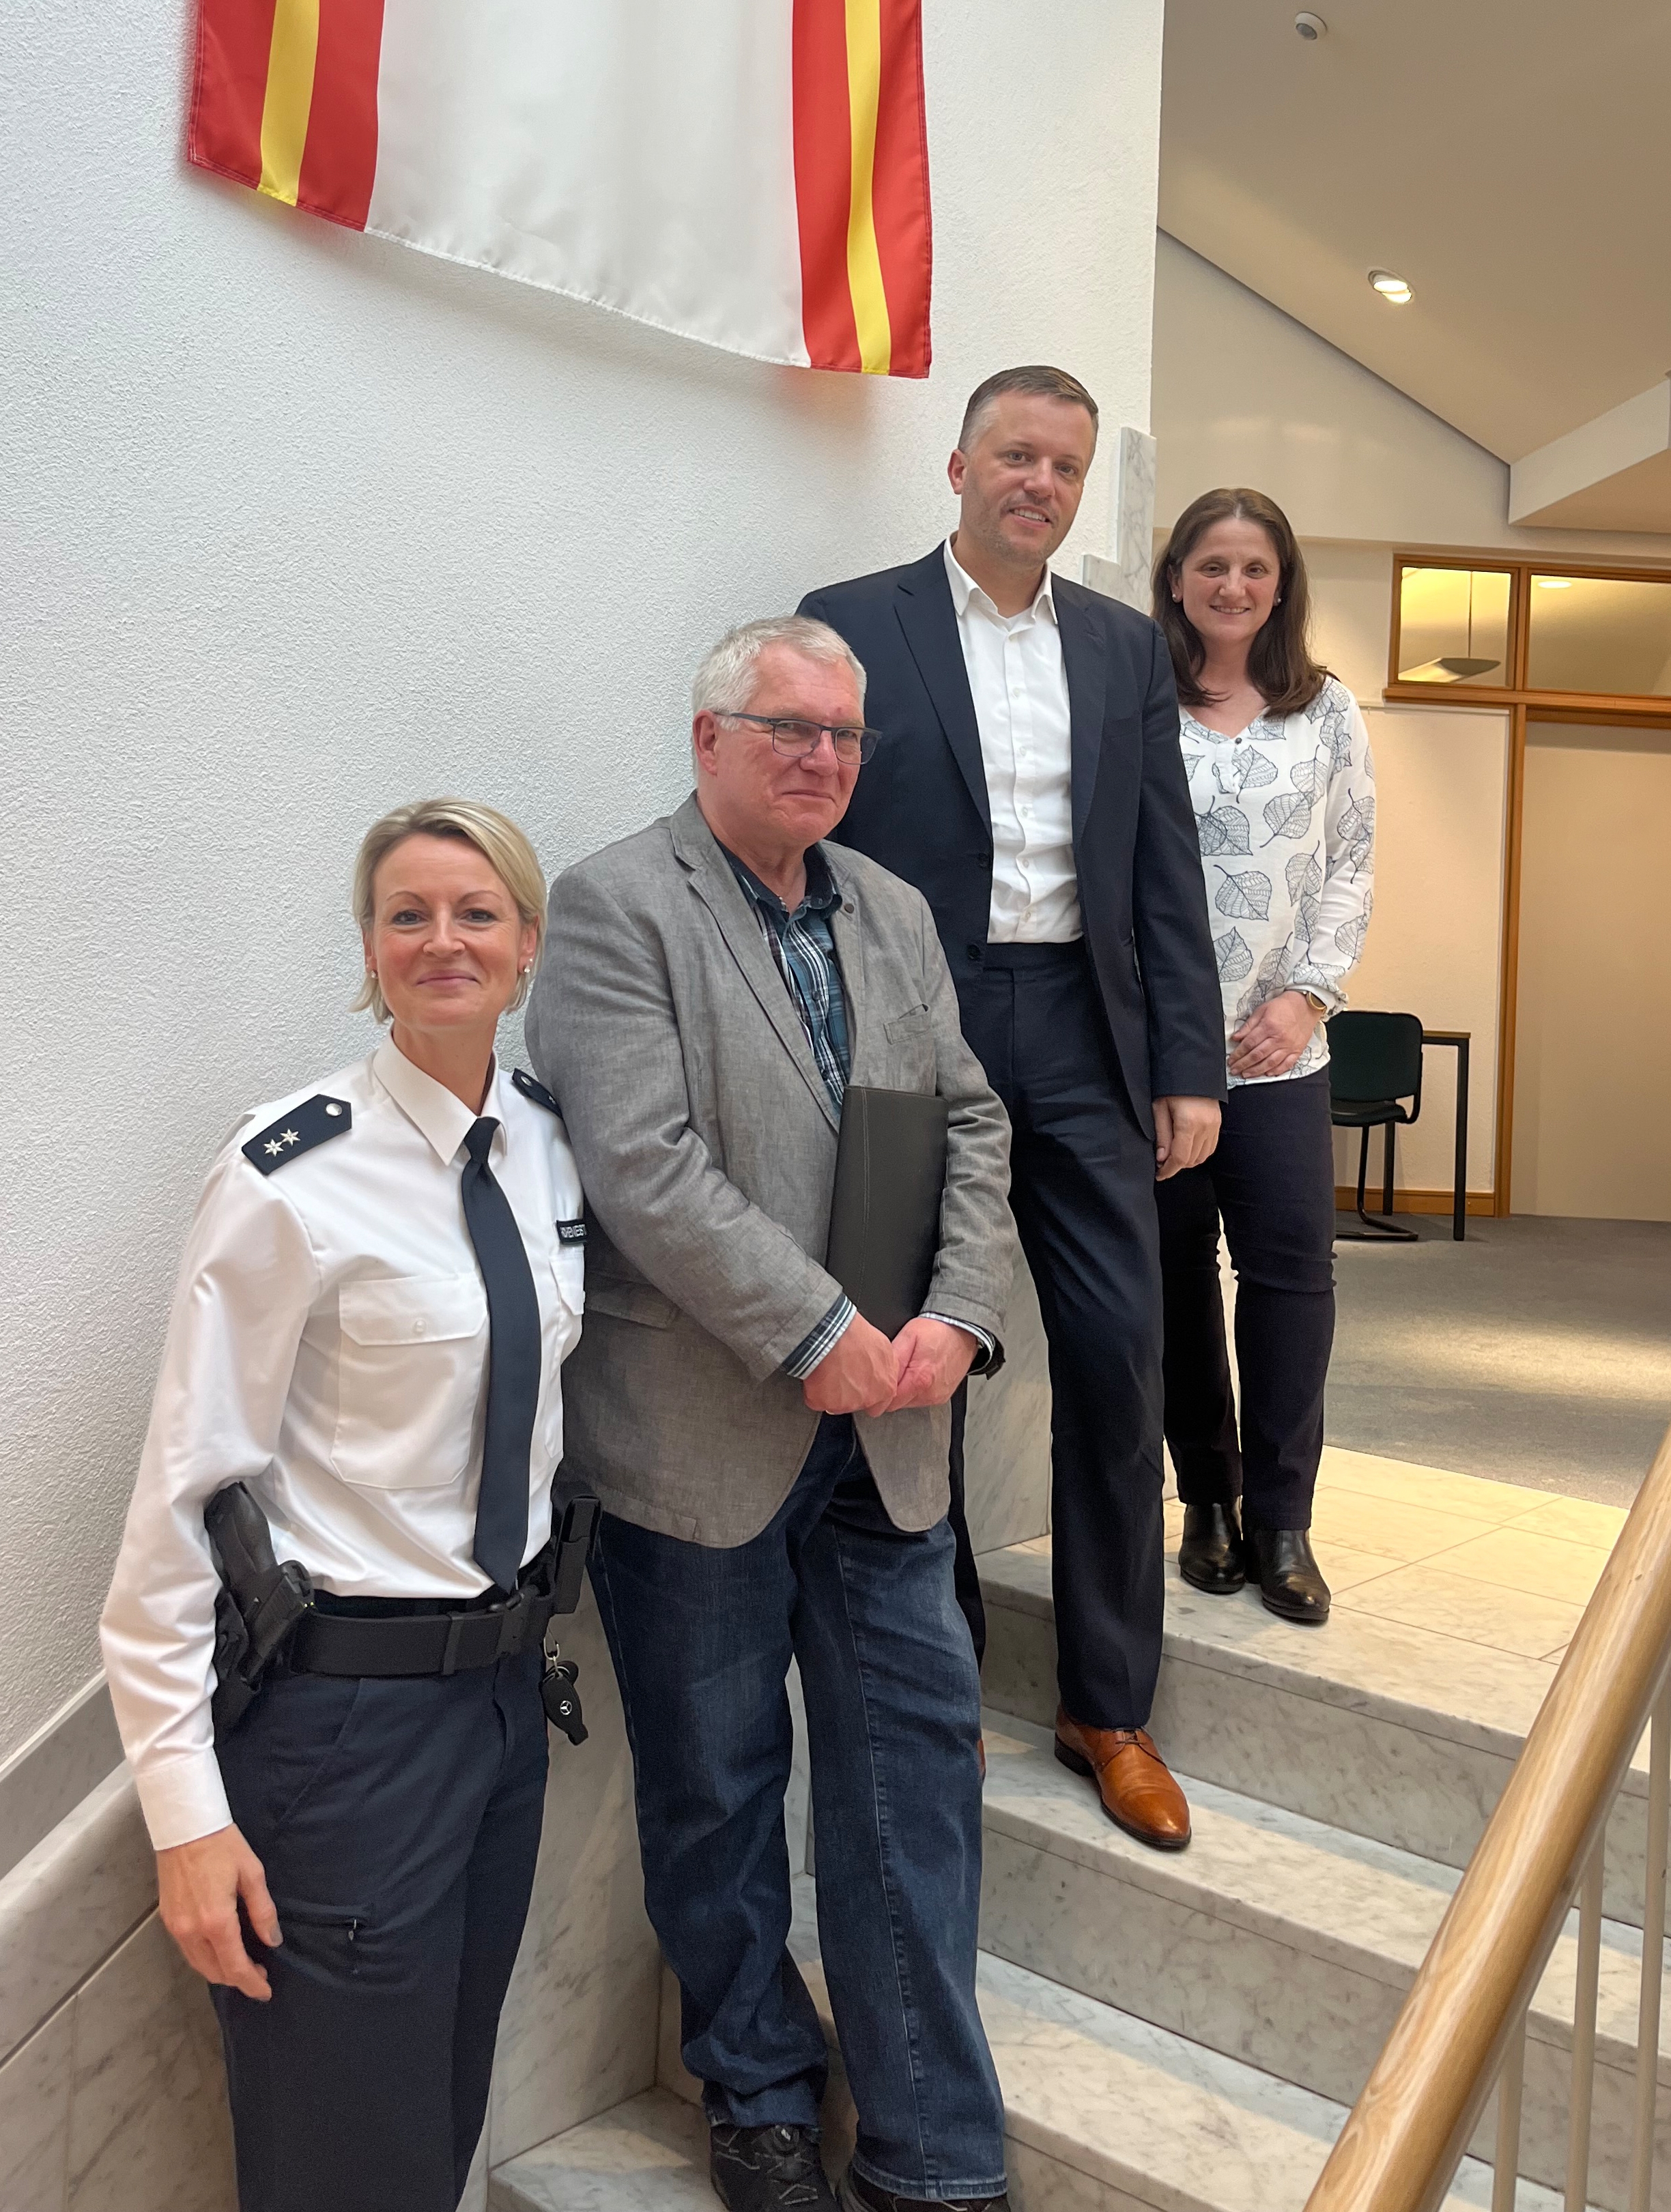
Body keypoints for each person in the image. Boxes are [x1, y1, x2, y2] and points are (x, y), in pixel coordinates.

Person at [526, 616, 1017, 2212]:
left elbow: (968, 1117)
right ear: (706, 738)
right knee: (716, 1789)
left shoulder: (888, 905)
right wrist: (809, 1325)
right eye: (785, 729)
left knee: (909, 1784)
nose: (820, 759)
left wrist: (954, 1310)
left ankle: (934, 2146)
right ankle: (754, 2092)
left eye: (842, 737)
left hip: (891, 1431)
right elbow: (641, 1160)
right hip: (701, 1432)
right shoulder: (615, 906)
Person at [100, 798, 585, 2212]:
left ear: (527, 943)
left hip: (503, 1707)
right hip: (343, 1730)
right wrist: (184, 1814)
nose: (444, 940)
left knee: (434, 2126)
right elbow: (179, 1502)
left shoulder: (551, 1147)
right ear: (368, 952)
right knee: (339, 2158)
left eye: (475, 912)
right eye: (408, 916)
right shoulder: (287, 1174)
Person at [799, 367, 1226, 1854]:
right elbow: (810, 844)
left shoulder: (1122, 650)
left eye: (1063, 465)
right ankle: (941, 1687)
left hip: (1087, 1038)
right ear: (960, 465)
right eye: (1014, 455)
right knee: (923, 1361)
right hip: (918, 1032)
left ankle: (1108, 1704)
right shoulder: (853, 620)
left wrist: (1190, 1067)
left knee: (1116, 1355)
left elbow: (1164, 869)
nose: (1037, 483)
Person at [1151, 489, 1375, 1624]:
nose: (1232, 586)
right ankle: (1211, 1503)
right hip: (1160, 1054)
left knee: (1292, 1281)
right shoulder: (1138, 697)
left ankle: (1285, 1518)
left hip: (1282, 1054)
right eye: (1211, 565)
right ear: (1178, 576)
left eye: (1254, 567)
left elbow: (1351, 863)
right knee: (1177, 1283)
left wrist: (1306, 997)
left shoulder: (1325, 709)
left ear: (1281, 582)